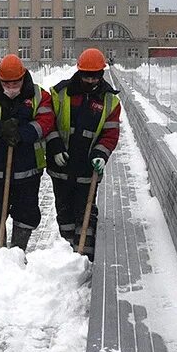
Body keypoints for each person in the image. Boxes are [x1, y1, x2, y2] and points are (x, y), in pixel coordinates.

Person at [0, 54, 54, 250]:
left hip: (27, 167)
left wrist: (23, 133)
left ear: (23, 78)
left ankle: (18, 250)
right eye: (7, 83)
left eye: (16, 83)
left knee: (26, 211)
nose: (12, 87)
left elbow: (46, 122)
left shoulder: (39, 96)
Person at [45, 48, 121, 259]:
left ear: (101, 73)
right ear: (79, 71)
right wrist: (55, 147)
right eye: (86, 74)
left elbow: (110, 133)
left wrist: (100, 154)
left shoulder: (109, 101)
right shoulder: (60, 93)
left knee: (85, 210)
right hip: (61, 166)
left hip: (88, 169)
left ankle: (85, 256)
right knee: (64, 211)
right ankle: (69, 249)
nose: (90, 79)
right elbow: (47, 124)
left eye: (95, 75)